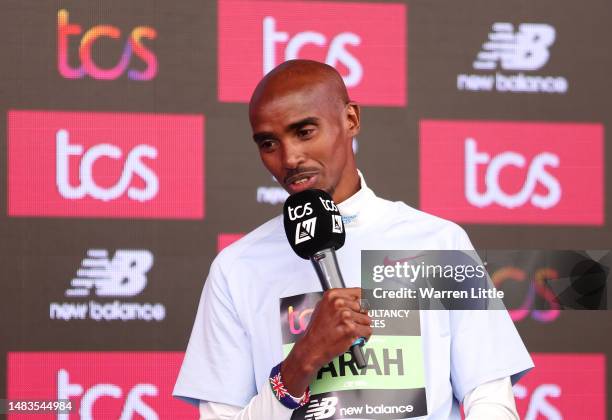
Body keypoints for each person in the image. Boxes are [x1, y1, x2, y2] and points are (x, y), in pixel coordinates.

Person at [174, 59, 533, 419]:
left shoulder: (440, 241)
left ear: (351, 120)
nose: (290, 158)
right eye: (269, 143)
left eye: (304, 132)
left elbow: (490, 399)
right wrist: (301, 361)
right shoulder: (237, 268)